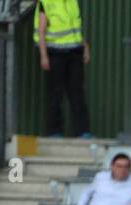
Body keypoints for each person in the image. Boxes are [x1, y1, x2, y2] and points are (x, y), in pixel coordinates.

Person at [35, 0, 90, 138]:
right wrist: (43, 56)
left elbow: (75, 28)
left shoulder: (72, 2)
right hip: (55, 53)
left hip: (75, 51)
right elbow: (41, 31)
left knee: (77, 93)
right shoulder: (46, 3)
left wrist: (85, 47)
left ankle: (82, 131)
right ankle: (55, 131)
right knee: (56, 94)